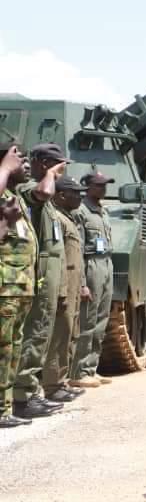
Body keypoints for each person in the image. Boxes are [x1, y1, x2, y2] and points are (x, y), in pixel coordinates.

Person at [12, 143, 68, 418]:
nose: (63, 171)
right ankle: (23, 396)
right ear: (46, 164)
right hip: (39, 273)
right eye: (59, 165)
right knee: (34, 333)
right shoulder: (28, 188)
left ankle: (32, 391)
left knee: (42, 333)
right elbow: (43, 193)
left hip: (50, 274)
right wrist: (51, 174)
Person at [0, 141, 38, 427]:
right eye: (19, 160)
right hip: (5, 286)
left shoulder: (14, 196)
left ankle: (5, 407)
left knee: (11, 349)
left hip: (19, 286)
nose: (25, 165)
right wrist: (4, 168)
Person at [42, 176, 89, 403]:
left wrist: (82, 285)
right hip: (63, 284)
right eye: (76, 193)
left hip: (73, 284)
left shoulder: (69, 219)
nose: (80, 197)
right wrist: (61, 289)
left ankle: (61, 381)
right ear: (61, 195)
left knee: (70, 332)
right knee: (59, 335)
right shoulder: (57, 219)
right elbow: (56, 257)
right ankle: (52, 385)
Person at [69, 172, 117, 388]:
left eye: (105, 185)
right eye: (99, 185)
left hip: (106, 263)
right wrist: (81, 283)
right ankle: (78, 372)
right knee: (87, 320)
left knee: (101, 319)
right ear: (87, 187)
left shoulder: (103, 211)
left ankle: (91, 368)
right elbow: (77, 249)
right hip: (90, 265)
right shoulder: (80, 211)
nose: (103, 189)